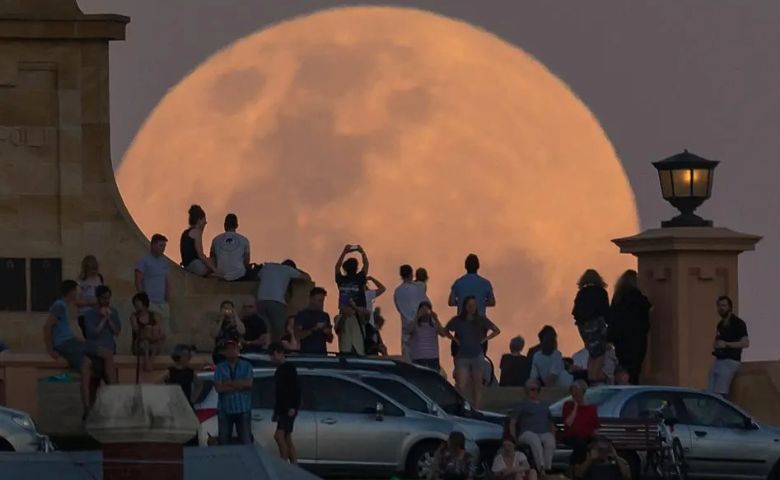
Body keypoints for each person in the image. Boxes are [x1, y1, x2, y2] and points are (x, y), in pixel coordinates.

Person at [43, 280, 93, 419]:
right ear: (71, 291)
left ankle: (89, 402)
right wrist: (50, 350)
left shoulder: (64, 306)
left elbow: (64, 330)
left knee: (94, 354)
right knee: (86, 364)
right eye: (76, 291)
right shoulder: (59, 305)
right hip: (65, 344)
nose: (78, 293)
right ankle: (87, 406)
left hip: (70, 341)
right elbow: (47, 327)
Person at [445, 296, 501, 410]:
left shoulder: (481, 320)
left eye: (474, 305)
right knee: (461, 385)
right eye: (469, 305)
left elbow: (496, 330)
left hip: (477, 354)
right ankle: (461, 408)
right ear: (465, 306)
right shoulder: (457, 320)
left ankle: (477, 409)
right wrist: (455, 340)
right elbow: (445, 330)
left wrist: (485, 339)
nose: (472, 308)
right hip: (462, 356)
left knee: (478, 384)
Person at [608, 269, 652, 385]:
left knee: (623, 366)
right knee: (634, 369)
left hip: (620, 341)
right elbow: (646, 306)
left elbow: (610, 317)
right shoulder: (635, 296)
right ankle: (632, 387)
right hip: (635, 339)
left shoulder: (617, 298)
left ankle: (623, 385)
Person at [449, 254, 496, 355]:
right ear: (478, 266)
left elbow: (451, 302)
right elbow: (492, 302)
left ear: (465, 266)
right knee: (480, 354)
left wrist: (461, 302)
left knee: (458, 353)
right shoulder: (485, 283)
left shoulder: (458, 282)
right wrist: (481, 303)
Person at [509, 379, 555, 477]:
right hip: (526, 433)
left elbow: (551, 422)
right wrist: (513, 438)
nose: (533, 392)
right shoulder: (521, 404)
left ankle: (547, 468)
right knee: (534, 439)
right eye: (530, 389)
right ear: (526, 391)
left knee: (550, 439)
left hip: (543, 433)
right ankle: (541, 468)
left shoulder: (545, 405)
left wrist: (553, 433)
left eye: (536, 389)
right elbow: (513, 422)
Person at [572, 269, 610, 384]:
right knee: (599, 353)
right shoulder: (601, 292)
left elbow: (575, 312)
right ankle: (594, 377)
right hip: (597, 326)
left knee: (592, 353)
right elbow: (606, 311)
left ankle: (591, 375)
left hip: (584, 328)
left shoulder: (581, 293)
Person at [257, 259, 310, 341]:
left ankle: (266, 350)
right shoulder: (288, 269)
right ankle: (279, 351)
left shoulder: (267, 266)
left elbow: (258, 276)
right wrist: (296, 270)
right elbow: (307, 277)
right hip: (277, 302)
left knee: (265, 330)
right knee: (280, 331)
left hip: (261, 301)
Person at [708, 295, 749, 398]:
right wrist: (716, 344)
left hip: (731, 360)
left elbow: (745, 343)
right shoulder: (720, 324)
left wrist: (727, 344)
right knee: (710, 392)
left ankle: (722, 412)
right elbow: (717, 339)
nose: (721, 308)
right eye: (719, 306)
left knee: (720, 393)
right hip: (719, 360)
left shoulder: (738, 323)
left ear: (730, 307)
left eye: (724, 305)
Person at [214, 340, 253, 444]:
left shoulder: (247, 366)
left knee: (246, 441)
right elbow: (219, 388)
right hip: (225, 410)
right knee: (224, 441)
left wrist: (228, 383)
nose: (231, 351)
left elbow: (249, 384)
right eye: (228, 349)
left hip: (243, 408)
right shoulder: (219, 367)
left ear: (238, 350)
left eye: (233, 349)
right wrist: (239, 385)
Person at [135, 233, 171, 338]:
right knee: (150, 332)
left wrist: (167, 299)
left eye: (164, 246)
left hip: (162, 303)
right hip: (150, 303)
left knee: (164, 332)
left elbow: (167, 281)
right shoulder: (144, 261)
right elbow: (138, 281)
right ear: (153, 245)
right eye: (161, 245)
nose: (163, 248)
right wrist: (144, 302)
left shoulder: (165, 262)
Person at [270, 341, 301, 463]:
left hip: (288, 409)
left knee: (279, 436)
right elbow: (279, 393)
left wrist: (293, 406)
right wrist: (276, 411)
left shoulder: (289, 368)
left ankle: (284, 463)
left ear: (280, 353)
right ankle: (294, 464)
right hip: (282, 409)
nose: (272, 358)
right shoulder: (279, 370)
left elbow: (295, 389)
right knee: (287, 438)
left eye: (273, 355)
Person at [82, 285, 120, 385]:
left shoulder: (114, 312)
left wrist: (109, 319)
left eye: (108, 297)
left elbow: (117, 332)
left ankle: (112, 386)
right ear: (98, 298)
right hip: (94, 347)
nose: (106, 301)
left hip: (109, 347)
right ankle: (112, 385)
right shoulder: (89, 314)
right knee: (107, 356)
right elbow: (92, 334)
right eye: (104, 298)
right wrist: (103, 320)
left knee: (109, 357)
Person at [562, 380, 600, 468]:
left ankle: (576, 468)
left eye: (577, 392)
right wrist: (575, 407)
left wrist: (597, 439)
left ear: (583, 392)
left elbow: (596, 428)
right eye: (573, 392)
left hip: (587, 438)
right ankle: (578, 469)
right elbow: (568, 423)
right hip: (571, 437)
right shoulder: (568, 405)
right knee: (580, 444)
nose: (575, 395)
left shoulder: (591, 408)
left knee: (591, 445)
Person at [394, 264, 428, 359]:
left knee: (407, 355)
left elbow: (398, 307)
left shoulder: (397, 291)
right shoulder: (418, 287)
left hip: (405, 324)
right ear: (411, 274)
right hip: (419, 324)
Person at [180, 204, 220, 277]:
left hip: (187, 266)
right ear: (199, 220)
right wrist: (215, 269)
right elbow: (200, 255)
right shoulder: (196, 232)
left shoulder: (185, 233)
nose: (205, 222)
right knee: (215, 259)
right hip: (196, 267)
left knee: (208, 261)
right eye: (204, 219)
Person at [209, 213, 251, 281]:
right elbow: (246, 261)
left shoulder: (216, 240)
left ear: (224, 225)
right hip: (238, 274)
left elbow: (213, 259)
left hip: (220, 273)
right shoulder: (244, 240)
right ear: (237, 226)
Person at [130, 292, 166, 372]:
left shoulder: (155, 315)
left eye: (137, 301)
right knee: (145, 340)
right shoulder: (134, 317)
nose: (135, 304)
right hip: (140, 343)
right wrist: (147, 332)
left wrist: (152, 335)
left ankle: (150, 364)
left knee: (157, 340)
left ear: (144, 302)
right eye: (134, 302)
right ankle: (148, 362)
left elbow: (158, 330)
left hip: (153, 342)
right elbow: (136, 331)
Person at [295, 287, 334, 354]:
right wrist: (315, 328)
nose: (321, 303)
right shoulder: (302, 315)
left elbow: (330, 340)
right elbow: (298, 336)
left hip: (322, 355)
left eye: (322, 301)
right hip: (306, 354)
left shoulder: (325, 315)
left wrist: (328, 333)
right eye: (319, 300)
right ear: (311, 299)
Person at [408, 301, 446, 371]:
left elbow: (443, 334)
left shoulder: (434, 325)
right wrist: (417, 317)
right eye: (422, 310)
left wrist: (436, 319)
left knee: (433, 379)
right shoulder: (415, 325)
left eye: (427, 310)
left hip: (433, 358)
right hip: (418, 358)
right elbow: (408, 330)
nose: (425, 312)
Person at [76, 255, 104, 337]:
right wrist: (90, 302)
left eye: (95, 268)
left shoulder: (100, 278)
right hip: (85, 315)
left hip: (99, 314)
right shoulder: (80, 282)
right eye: (91, 269)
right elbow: (76, 301)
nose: (93, 271)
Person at [211, 300, 246, 364]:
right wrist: (221, 319)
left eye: (229, 308)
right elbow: (213, 334)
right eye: (225, 308)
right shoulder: (217, 322)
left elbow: (242, 331)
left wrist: (235, 315)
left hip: (235, 352)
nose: (227, 310)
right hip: (221, 352)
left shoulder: (237, 322)